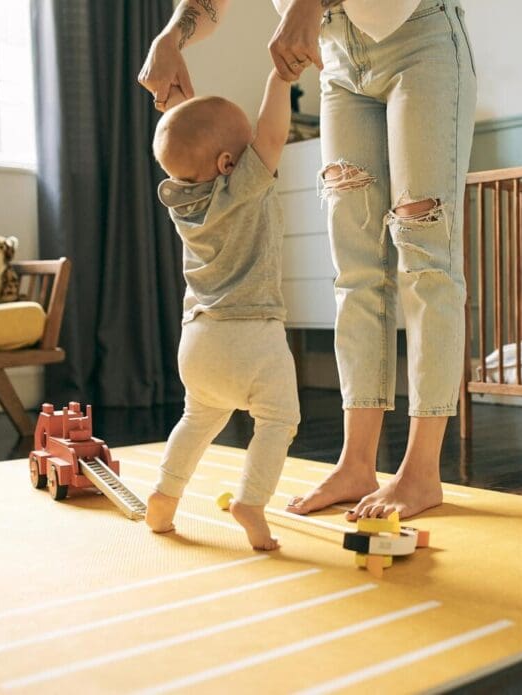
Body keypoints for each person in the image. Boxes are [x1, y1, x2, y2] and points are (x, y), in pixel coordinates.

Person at [139, 0, 476, 521]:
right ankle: (356, 463)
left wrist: (304, 4)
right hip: (337, 61)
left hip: (419, 36)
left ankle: (421, 471)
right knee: (356, 270)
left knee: (425, 258)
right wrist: (171, 37)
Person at [144, 72, 300, 550]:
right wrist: (278, 76)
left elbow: (190, 133)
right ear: (231, 162)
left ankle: (166, 493)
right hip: (252, 335)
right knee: (277, 421)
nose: (260, 151)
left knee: (197, 419)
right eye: (248, 149)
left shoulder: (181, 199)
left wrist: (176, 103)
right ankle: (251, 500)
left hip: (198, 340)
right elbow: (274, 134)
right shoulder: (244, 185)